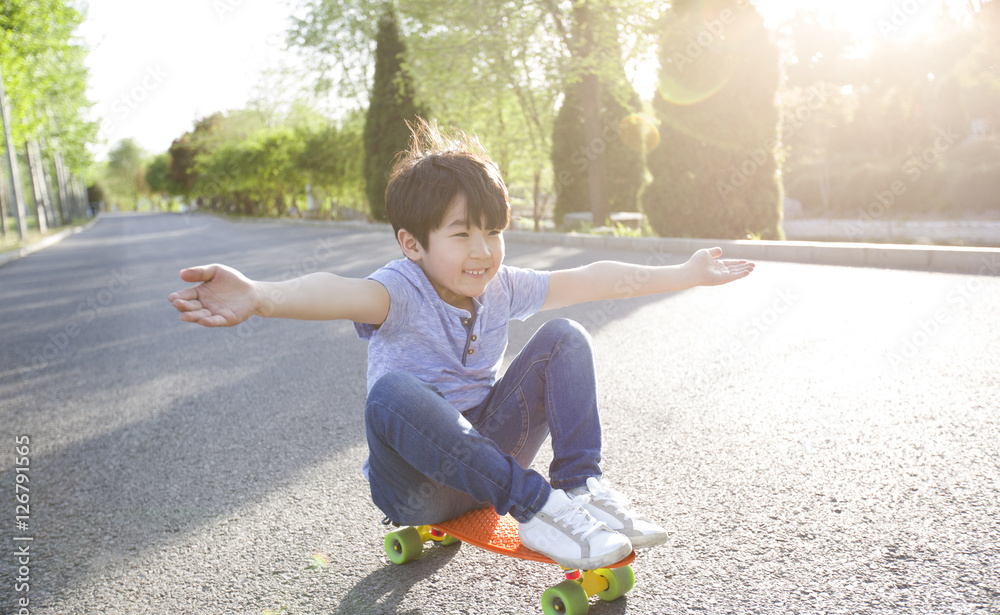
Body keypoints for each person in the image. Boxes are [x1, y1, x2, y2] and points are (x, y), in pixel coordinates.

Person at [167, 118, 754, 570]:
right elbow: (332, 290)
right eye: (462, 233)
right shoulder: (399, 290)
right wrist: (260, 296)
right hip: (417, 487)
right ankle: (540, 509)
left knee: (564, 338)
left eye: (494, 232)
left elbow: (592, 280)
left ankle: (581, 485)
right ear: (412, 244)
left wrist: (685, 273)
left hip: (488, 455)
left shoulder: (499, 286)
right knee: (392, 393)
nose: (483, 251)